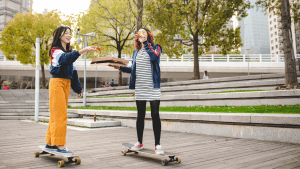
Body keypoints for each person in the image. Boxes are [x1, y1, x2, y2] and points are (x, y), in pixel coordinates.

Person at [110, 28, 164, 155]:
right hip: (140, 87)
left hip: (152, 88)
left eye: (144, 33)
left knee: (155, 115)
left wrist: (146, 43)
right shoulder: (136, 52)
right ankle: (139, 142)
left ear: (148, 35)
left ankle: (157, 145)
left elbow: (155, 58)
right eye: (140, 33)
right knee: (140, 116)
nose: (141, 34)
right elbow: (133, 69)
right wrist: (120, 67)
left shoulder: (156, 48)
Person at [45, 25, 97, 153]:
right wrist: (82, 50)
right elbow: (64, 60)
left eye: (70, 33)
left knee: (56, 115)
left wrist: (78, 89)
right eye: (65, 33)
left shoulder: (69, 53)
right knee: (60, 115)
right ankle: (60, 145)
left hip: (66, 84)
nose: (69, 35)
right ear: (59, 36)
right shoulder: (56, 51)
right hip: (57, 83)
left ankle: (50, 142)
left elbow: (73, 72)